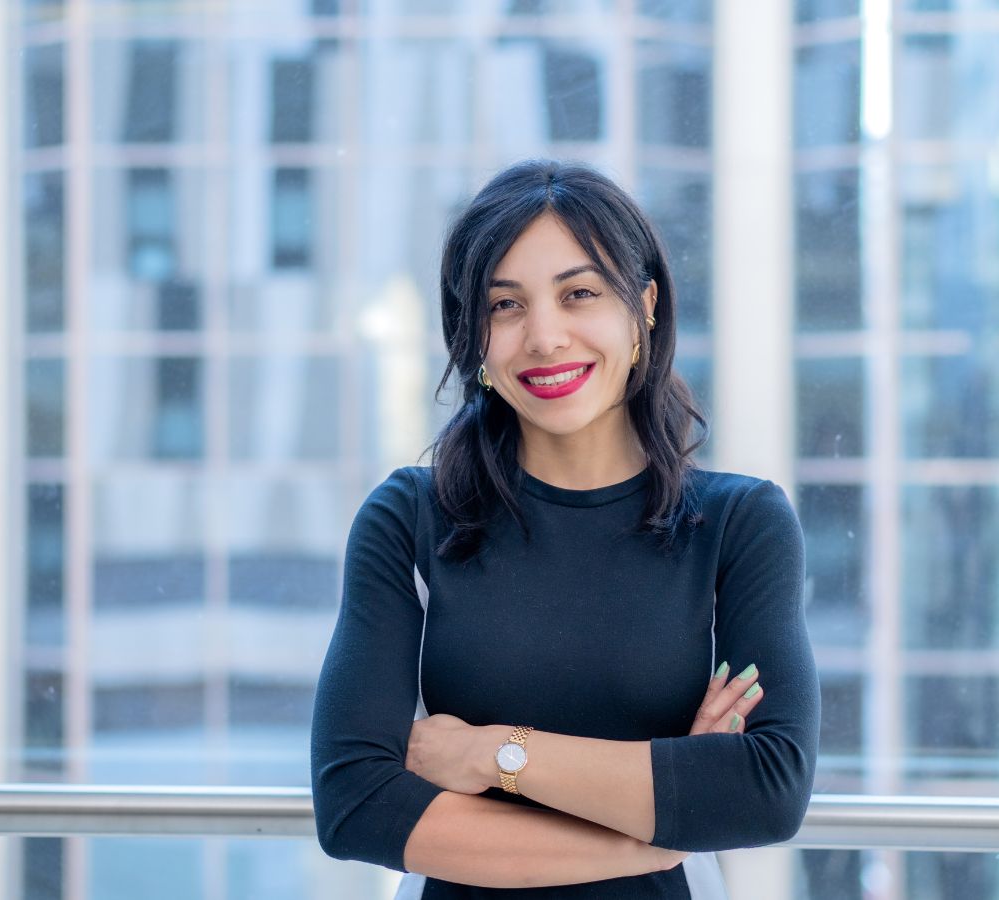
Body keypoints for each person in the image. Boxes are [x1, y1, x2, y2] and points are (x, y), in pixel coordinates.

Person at [310, 159, 820, 898]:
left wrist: (494, 755)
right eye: (505, 306)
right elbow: (356, 806)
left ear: (643, 306)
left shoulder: (739, 525)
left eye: (578, 293)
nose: (544, 338)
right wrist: (655, 831)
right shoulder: (411, 520)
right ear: (472, 335)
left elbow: (767, 789)